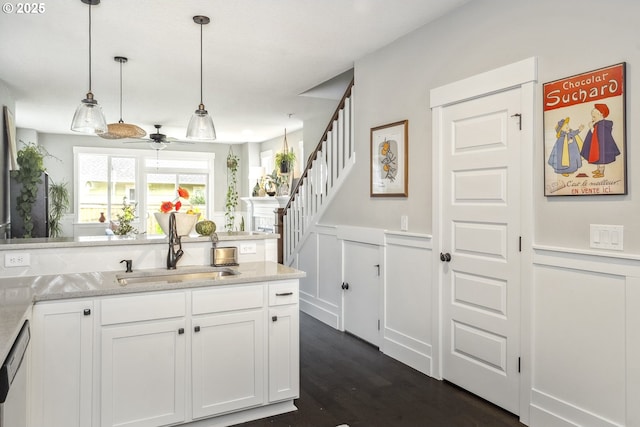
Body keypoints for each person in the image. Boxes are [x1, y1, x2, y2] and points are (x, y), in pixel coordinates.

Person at [580, 103, 620, 178]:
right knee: (599, 159)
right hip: (598, 146)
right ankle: (598, 170)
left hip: (602, 147)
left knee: (601, 160)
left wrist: (591, 127)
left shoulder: (602, 125)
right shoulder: (599, 124)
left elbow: (598, 135)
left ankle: (601, 172)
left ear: (601, 114)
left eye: (594, 117)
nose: (592, 119)